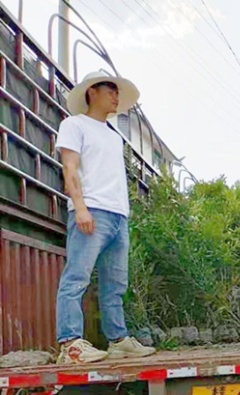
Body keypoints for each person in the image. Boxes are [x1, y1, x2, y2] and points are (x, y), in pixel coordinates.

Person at [54, 71, 156, 365]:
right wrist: (81, 207)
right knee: (76, 277)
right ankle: (70, 343)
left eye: (116, 91)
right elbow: (70, 169)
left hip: (117, 216)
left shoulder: (114, 137)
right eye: (110, 89)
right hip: (91, 210)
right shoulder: (74, 125)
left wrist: (124, 214)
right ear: (92, 92)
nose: (116, 95)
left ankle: (118, 340)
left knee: (115, 284)